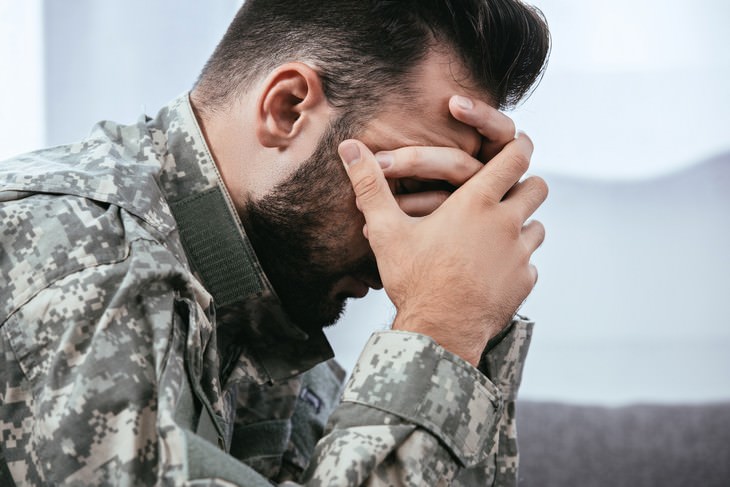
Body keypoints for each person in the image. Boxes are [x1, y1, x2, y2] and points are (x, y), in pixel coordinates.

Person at [0, 0, 550, 485]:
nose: (398, 257)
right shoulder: (87, 261)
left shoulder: (261, 302)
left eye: (445, 202)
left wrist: (473, 322)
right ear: (287, 108)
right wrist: (440, 330)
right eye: (403, 186)